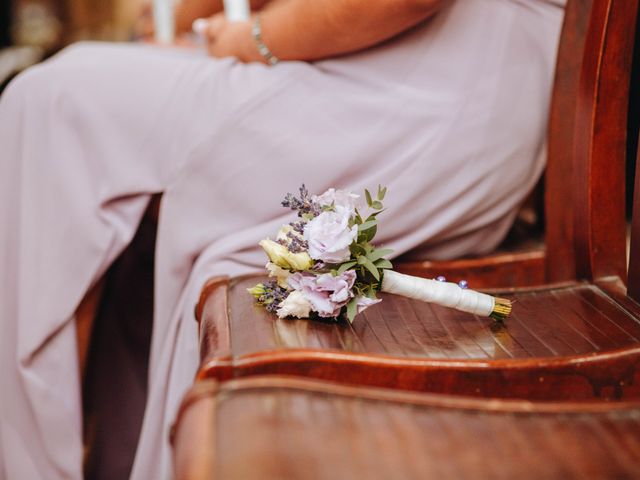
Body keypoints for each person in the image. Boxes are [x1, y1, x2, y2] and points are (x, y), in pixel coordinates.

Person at [0, 0, 565, 478]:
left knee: (52, 102)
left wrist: (255, 38)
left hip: (437, 83)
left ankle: (32, 464)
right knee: (86, 104)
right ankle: (110, 456)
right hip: (417, 62)